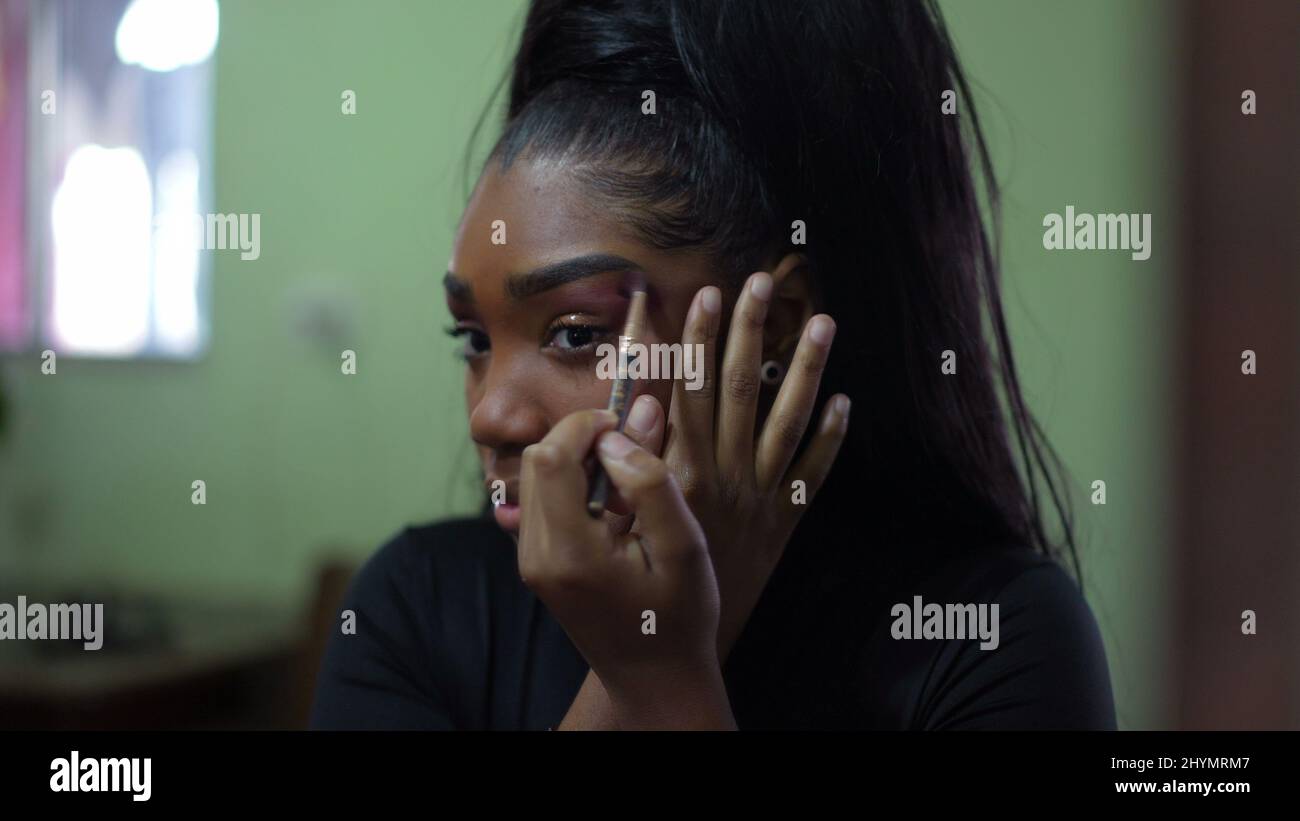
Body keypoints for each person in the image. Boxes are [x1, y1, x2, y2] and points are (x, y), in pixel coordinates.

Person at [310, 0, 1117, 730]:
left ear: (775, 330)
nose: (490, 413)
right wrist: (649, 658)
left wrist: (662, 676)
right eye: (475, 341)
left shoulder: (987, 638)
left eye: (572, 333)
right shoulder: (412, 607)